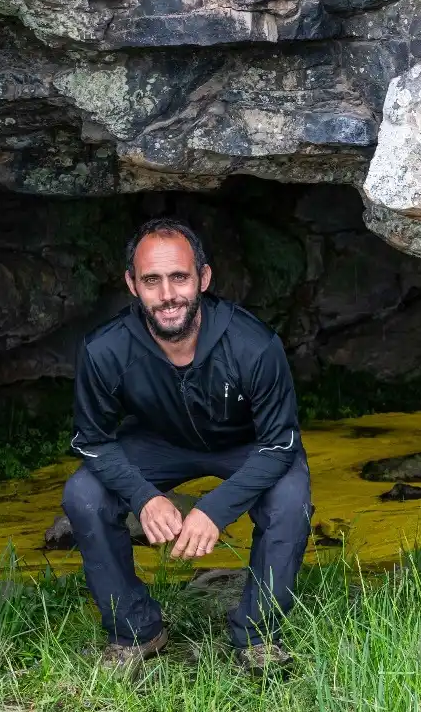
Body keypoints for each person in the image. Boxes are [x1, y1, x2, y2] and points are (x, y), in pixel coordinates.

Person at [62, 217, 311, 673]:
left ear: (204, 278)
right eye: (151, 280)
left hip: (245, 445)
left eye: (179, 277)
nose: (167, 294)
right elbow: (92, 439)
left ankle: (258, 636)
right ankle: (135, 631)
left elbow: (280, 443)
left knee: (290, 495)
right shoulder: (105, 349)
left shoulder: (254, 345)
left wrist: (214, 509)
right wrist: (144, 497)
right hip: (157, 442)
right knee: (84, 493)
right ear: (132, 285)